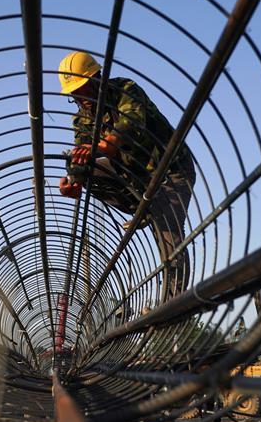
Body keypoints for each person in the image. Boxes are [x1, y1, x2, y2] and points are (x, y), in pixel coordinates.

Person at [56, 51, 196, 301]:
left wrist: (103, 146)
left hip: (171, 169)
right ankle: (141, 208)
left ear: (97, 79)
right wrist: (73, 181)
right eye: (75, 94)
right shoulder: (82, 119)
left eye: (83, 89)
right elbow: (82, 155)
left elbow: (131, 126)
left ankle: (173, 304)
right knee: (85, 171)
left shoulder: (125, 90)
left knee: (167, 230)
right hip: (138, 181)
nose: (80, 98)